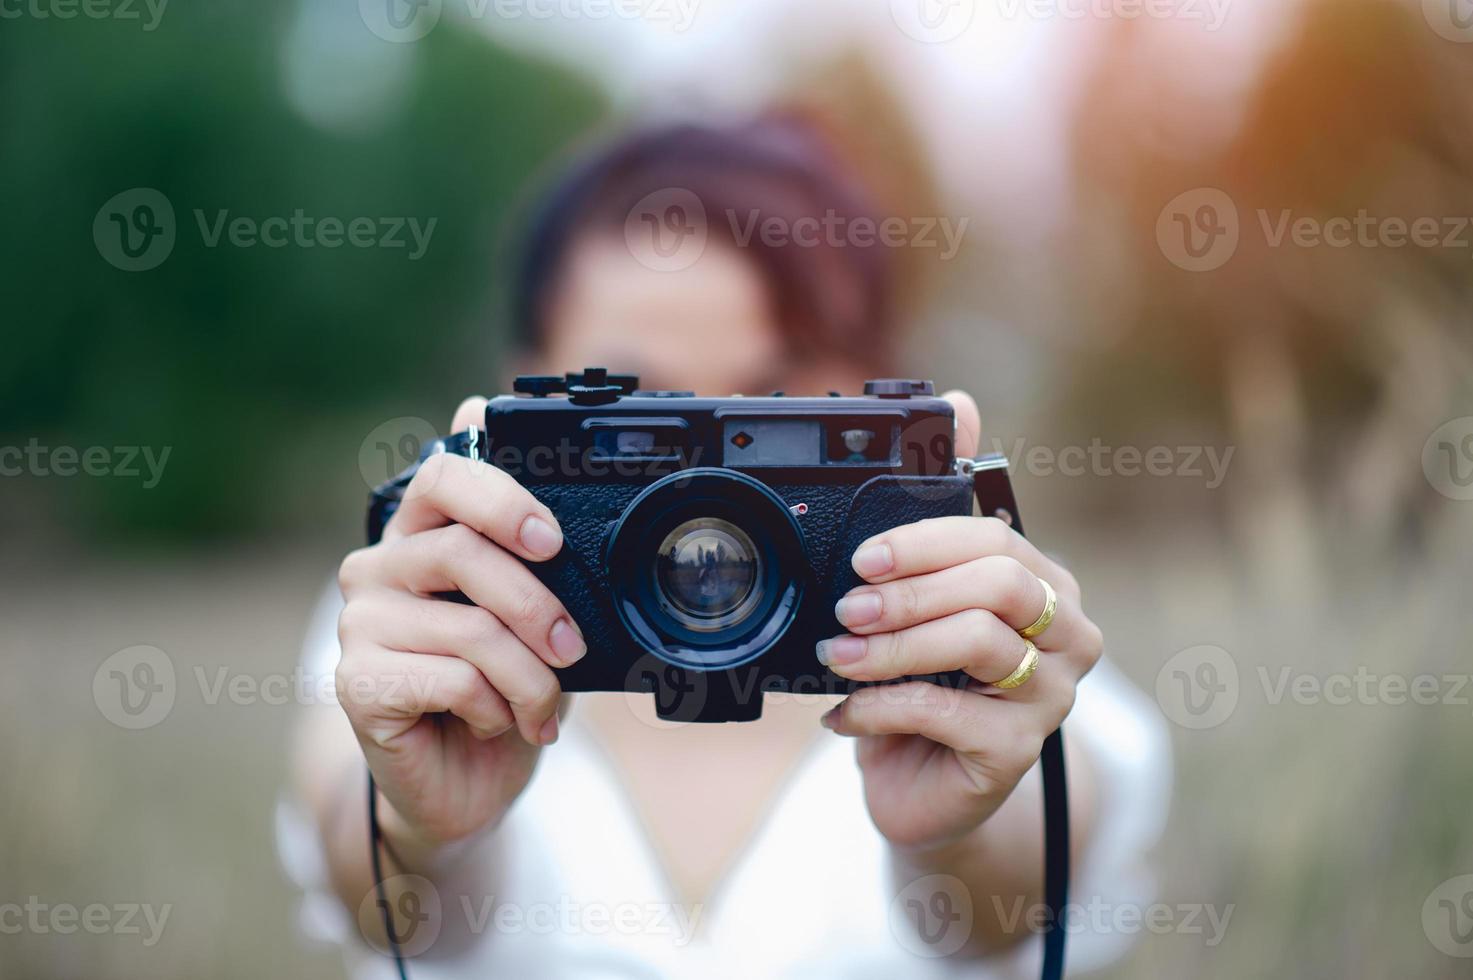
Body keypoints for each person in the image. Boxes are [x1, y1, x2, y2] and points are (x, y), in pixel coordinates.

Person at [280, 117, 1170, 979]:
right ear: (517, 402)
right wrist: (422, 833)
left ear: (883, 397)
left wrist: (959, 829)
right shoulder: (431, 618)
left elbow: (1016, 894)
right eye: (632, 405)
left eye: (767, 407)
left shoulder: (989, 639)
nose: (701, 488)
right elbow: (368, 882)